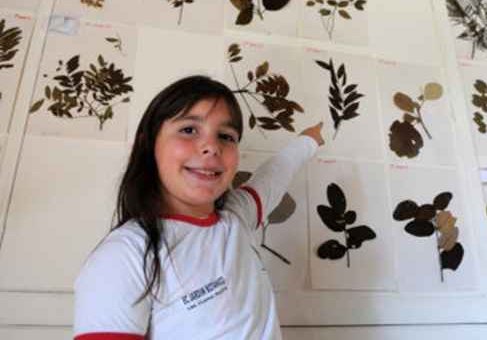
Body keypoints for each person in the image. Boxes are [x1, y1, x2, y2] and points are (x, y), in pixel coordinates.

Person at [73, 75, 323, 340]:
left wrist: (310, 140)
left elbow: (277, 171)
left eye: (226, 136)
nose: (211, 147)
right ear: (149, 144)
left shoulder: (238, 216)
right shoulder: (124, 256)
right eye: (189, 130)